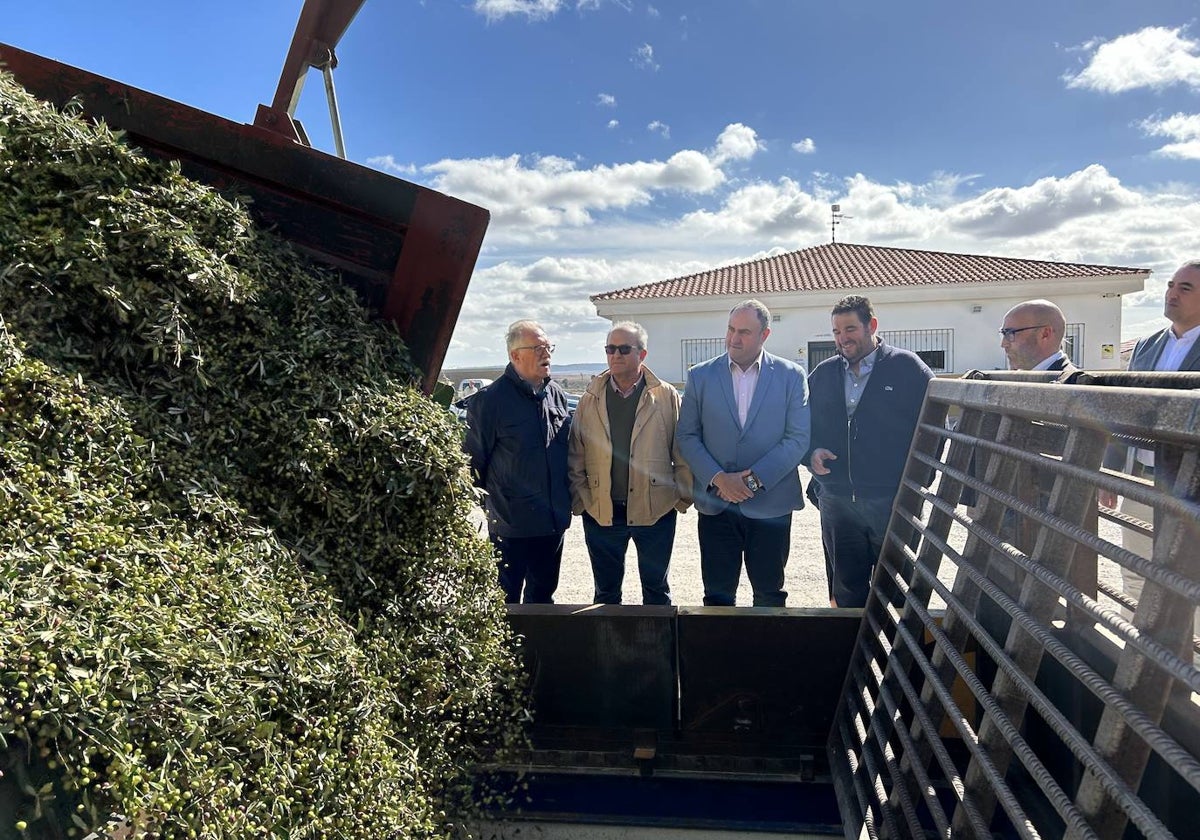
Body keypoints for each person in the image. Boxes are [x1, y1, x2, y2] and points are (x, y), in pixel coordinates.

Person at [677, 299, 811, 607]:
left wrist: (752, 481)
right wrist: (719, 479)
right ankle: (723, 655)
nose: (734, 339)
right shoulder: (700, 376)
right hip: (716, 504)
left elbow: (797, 438)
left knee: (769, 594)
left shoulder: (792, 376)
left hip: (771, 505)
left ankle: (765, 656)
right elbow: (686, 435)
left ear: (765, 335)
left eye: (745, 332)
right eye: (731, 329)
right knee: (717, 596)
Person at [807, 295, 933, 608]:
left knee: (900, 592)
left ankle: (899, 656)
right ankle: (853, 657)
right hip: (837, 504)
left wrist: (916, 485)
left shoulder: (908, 369)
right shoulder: (822, 374)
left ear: (871, 326)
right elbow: (799, 427)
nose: (842, 338)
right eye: (836, 331)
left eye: (850, 329)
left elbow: (932, 431)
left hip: (892, 504)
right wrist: (809, 453)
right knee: (846, 592)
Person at [1100, 261, 1200, 628]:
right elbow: (1123, 409)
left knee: (1190, 584)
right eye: (1171, 285)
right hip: (1143, 480)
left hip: (1193, 487)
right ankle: (1135, 651)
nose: (1172, 293)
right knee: (1136, 571)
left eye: (1185, 288)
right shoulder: (1146, 346)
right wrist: (1111, 471)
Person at [568, 322, 692, 604]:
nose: (615, 355)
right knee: (605, 594)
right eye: (610, 349)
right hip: (602, 512)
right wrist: (583, 500)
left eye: (624, 349)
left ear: (642, 354)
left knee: (657, 592)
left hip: (656, 511)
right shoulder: (591, 398)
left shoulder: (665, 396)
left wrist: (680, 499)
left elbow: (682, 451)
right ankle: (611, 649)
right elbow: (576, 453)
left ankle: (658, 649)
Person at [465, 320, 572, 603]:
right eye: (537, 348)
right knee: (506, 601)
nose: (545, 353)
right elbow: (474, 463)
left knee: (543, 599)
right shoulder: (489, 402)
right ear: (515, 356)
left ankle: (539, 649)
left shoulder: (556, 394)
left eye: (548, 347)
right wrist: (497, 508)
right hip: (511, 526)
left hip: (551, 523)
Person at [999, 299, 1074, 372]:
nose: (1003, 344)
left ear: (1045, 334)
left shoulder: (1074, 383)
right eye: (1003, 334)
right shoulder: (1018, 380)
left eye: (1010, 333)